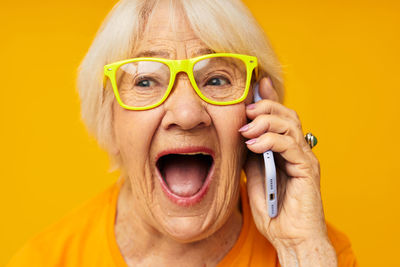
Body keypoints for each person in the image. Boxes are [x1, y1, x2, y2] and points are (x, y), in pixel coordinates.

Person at [7, 0, 358, 266]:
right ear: (108, 116)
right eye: (145, 80)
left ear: (259, 106)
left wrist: (300, 250)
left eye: (217, 79)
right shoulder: (45, 259)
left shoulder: (321, 252)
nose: (188, 114)